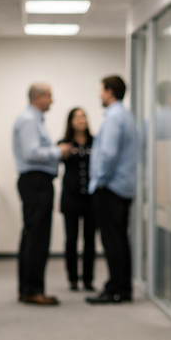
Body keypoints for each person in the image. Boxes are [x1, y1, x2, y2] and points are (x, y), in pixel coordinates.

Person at [13, 82, 70, 305]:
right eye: (49, 96)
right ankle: (33, 289)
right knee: (37, 237)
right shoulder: (29, 120)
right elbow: (31, 153)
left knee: (32, 235)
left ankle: (28, 288)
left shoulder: (34, 119)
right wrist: (60, 152)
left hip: (35, 181)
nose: (52, 100)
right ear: (38, 97)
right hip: (35, 181)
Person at [86, 75, 138, 304]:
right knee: (119, 239)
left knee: (112, 240)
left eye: (101, 90)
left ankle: (116, 288)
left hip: (111, 187)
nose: (99, 94)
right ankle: (121, 287)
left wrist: (98, 180)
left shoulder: (114, 118)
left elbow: (108, 154)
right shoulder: (124, 116)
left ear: (109, 92)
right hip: (122, 186)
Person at [58, 107, 95, 292]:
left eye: (83, 117)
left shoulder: (95, 142)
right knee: (71, 239)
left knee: (90, 240)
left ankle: (88, 279)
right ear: (71, 121)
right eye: (77, 117)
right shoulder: (63, 144)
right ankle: (73, 278)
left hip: (90, 198)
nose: (81, 120)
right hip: (70, 197)